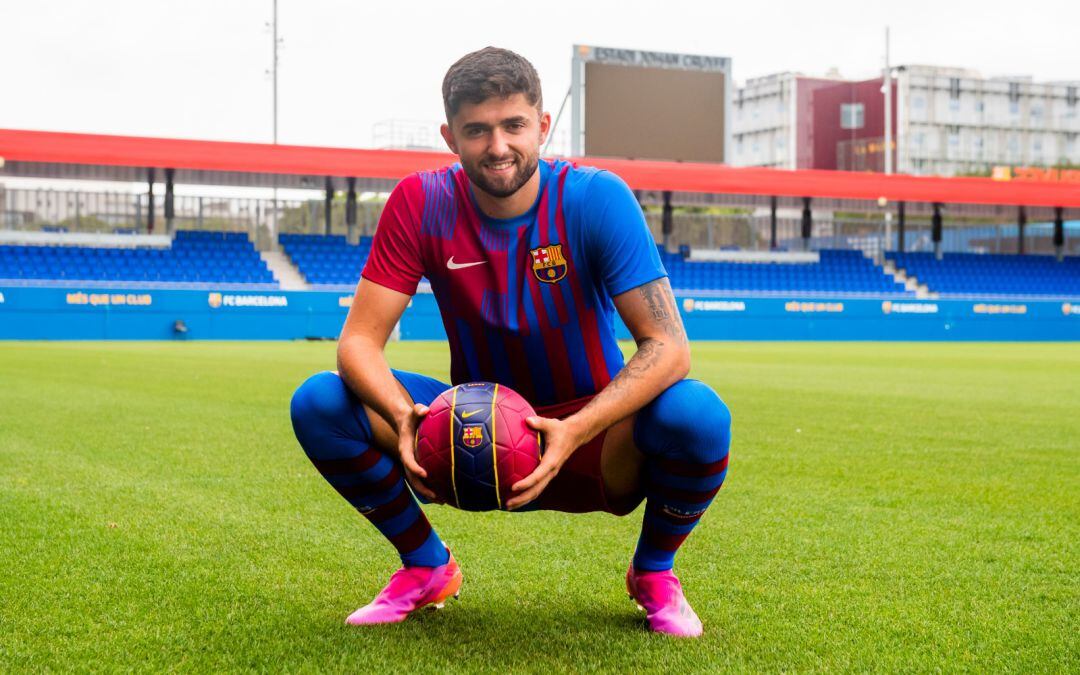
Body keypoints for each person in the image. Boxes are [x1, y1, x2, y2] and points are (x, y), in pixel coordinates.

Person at [289, 47, 731, 638]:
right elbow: (358, 344)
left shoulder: (596, 198)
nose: (498, 146)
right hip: (469, 436)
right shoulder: (420, 203)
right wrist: (401, 417)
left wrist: (577, 428)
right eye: (477, 130)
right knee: (321, 403)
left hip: (591, 439)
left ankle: (653, 573)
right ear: (450, 136)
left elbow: (668, 347)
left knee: (698, 414)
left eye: (514, 125)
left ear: (542, 125)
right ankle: (426, 567)